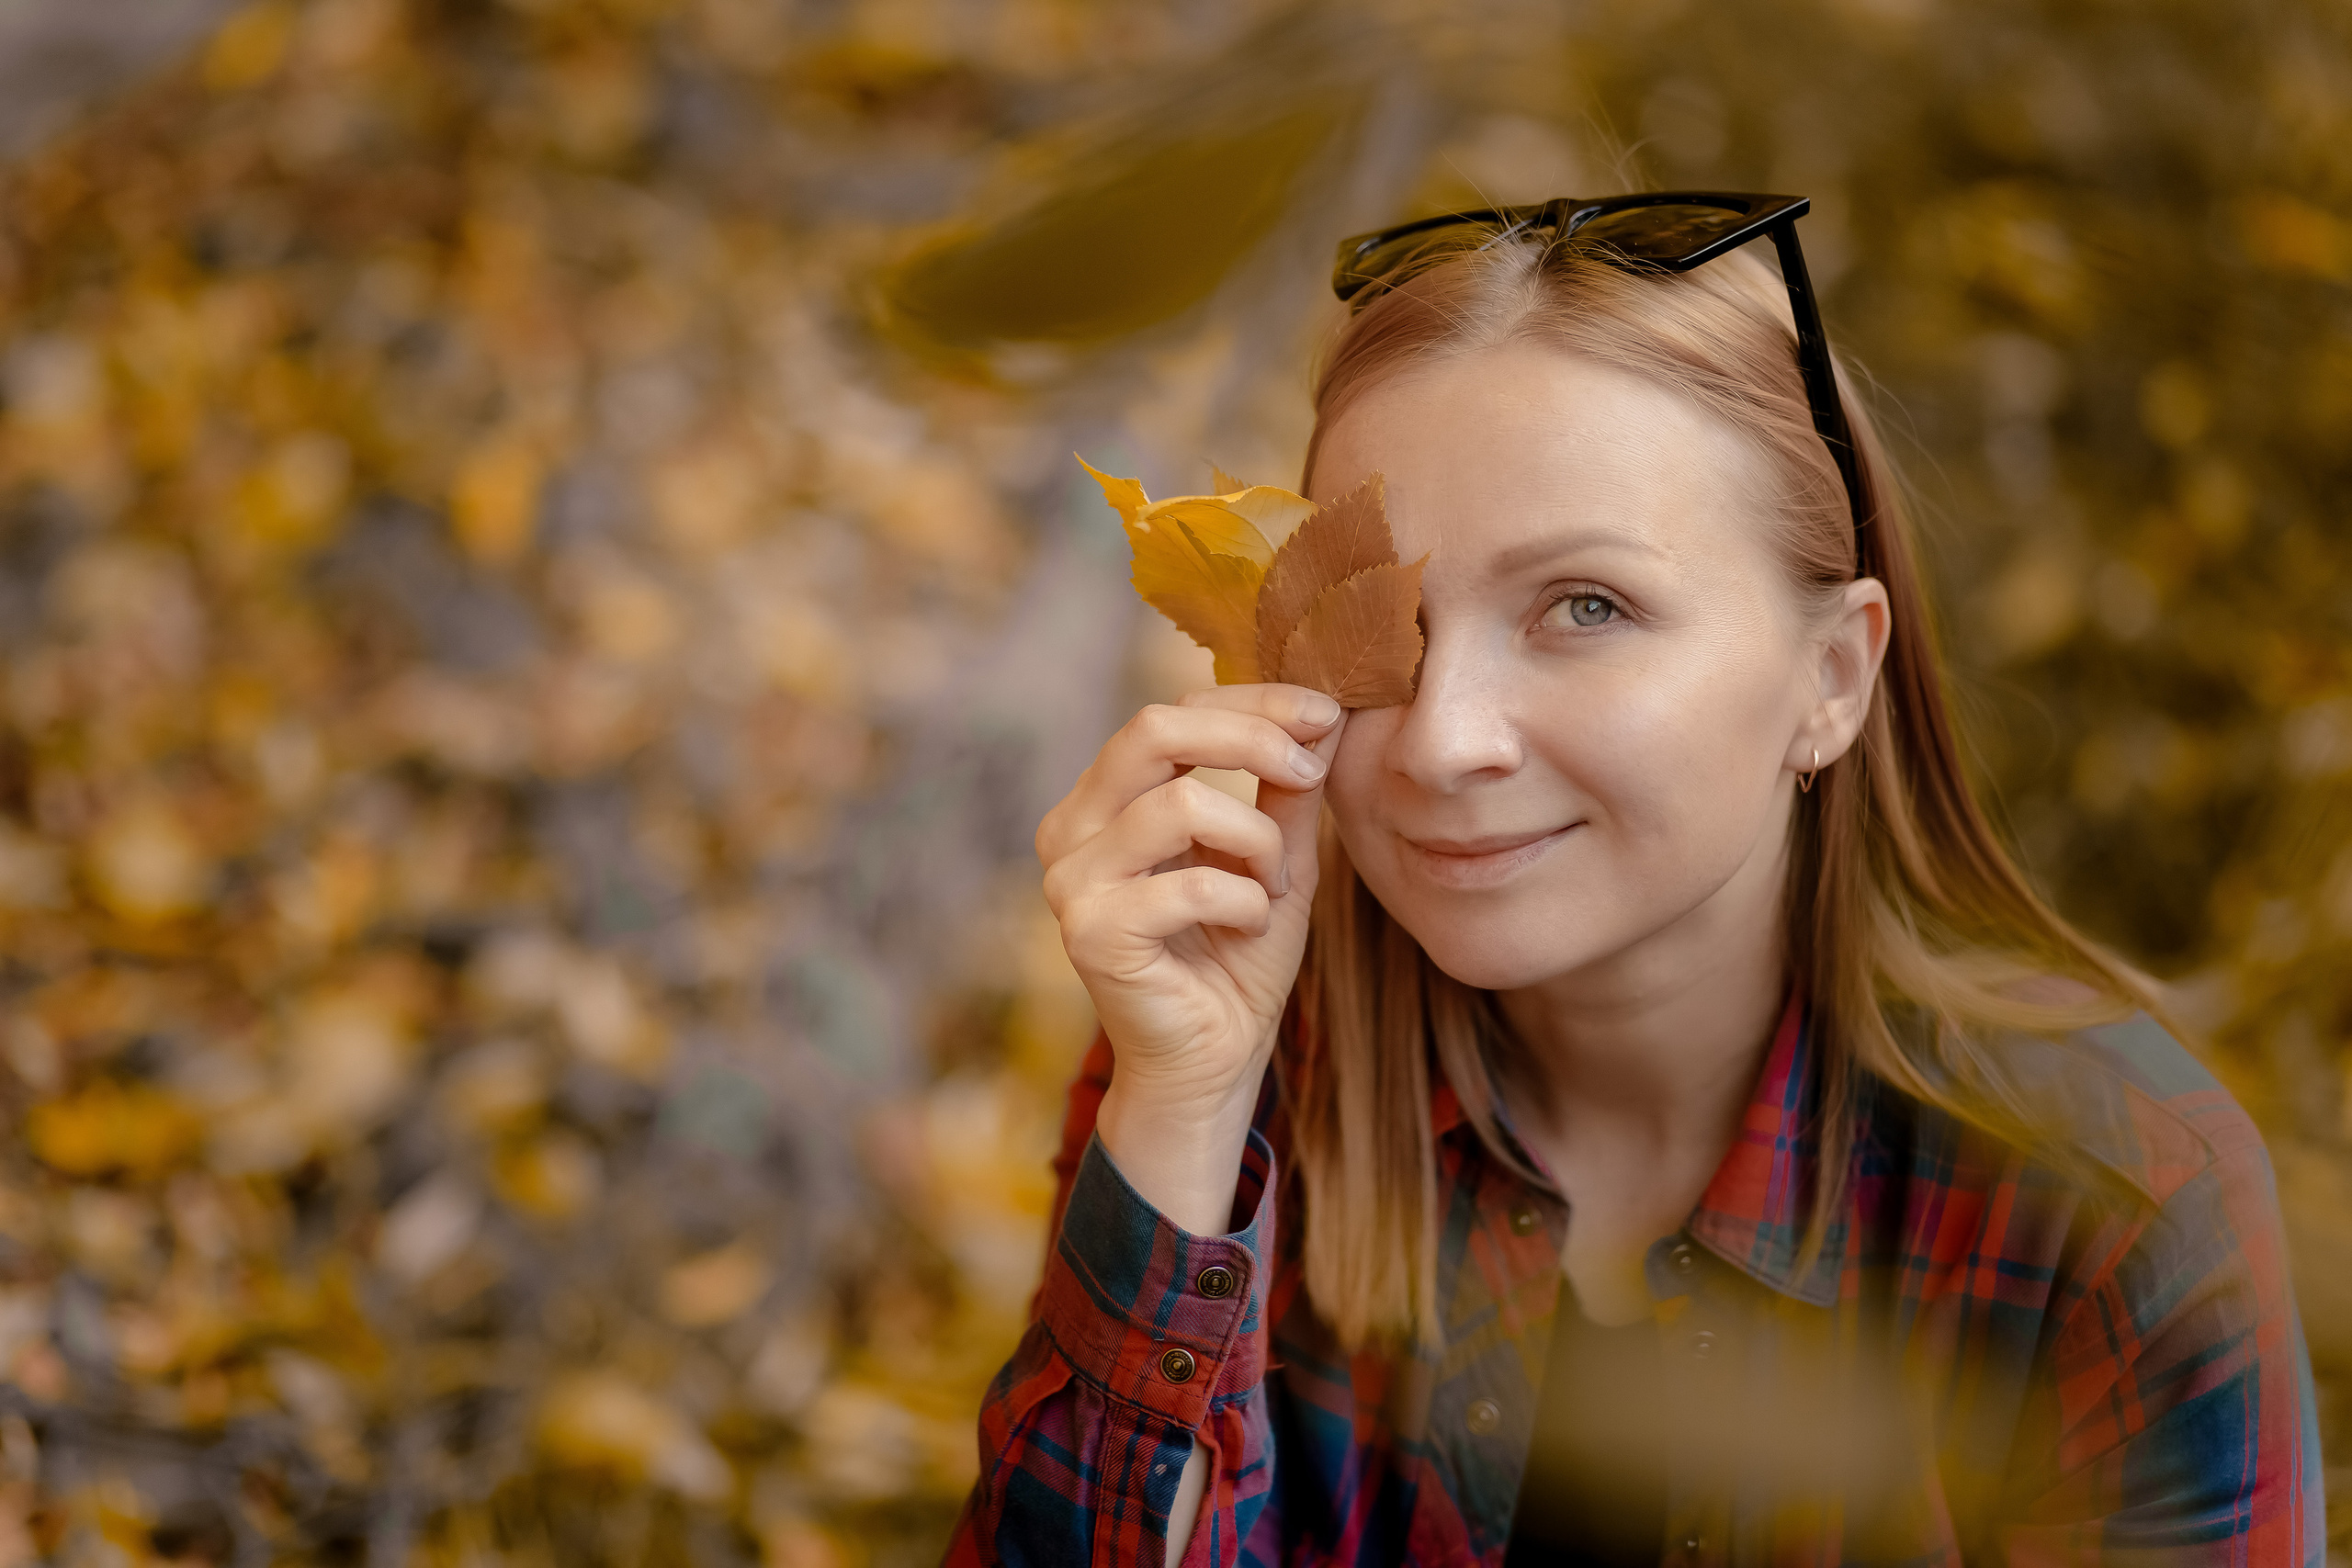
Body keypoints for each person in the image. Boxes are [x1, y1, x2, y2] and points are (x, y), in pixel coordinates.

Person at [945, 195, 2323, 1567]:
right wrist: (1179, 1115)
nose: (1440, 737)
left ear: (1830, 678)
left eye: (1584, 607)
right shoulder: (1235, 1065)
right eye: (1379, 620)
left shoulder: (2114, 1200)